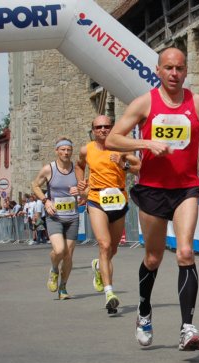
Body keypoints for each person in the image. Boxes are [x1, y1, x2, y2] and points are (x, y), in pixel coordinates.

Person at [105, 47, 199, 350]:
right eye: (168, 68)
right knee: (153, 258)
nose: (174, 74)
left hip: (186, 187)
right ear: (158, 70)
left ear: (186, 70)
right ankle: (144, 310)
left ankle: (187, 328)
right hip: (153, 189)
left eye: (179, 68)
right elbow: (112, 138)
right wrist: (146, 143)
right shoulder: (145, 103)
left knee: (185, 252)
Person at [76, 115, 141, 315]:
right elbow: (79, 165)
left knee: (112, 249)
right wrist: (81, 184)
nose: (103, 129)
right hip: (96, 199)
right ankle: (109, 293)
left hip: (118, 199)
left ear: (112, 128)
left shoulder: (122, 148)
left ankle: (98, 266)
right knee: (104, 245)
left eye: (106, 126)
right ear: (93, 130)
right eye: (99, 127)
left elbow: (139, 168)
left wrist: (123, 165)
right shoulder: (87, 149)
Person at [31, 138, 83, 300]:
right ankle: (54, 269)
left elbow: (86, 189)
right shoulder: (49, 169)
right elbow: (35, 185)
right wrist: (45, 201)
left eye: (69, 150)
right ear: (57, 151)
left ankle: (63, 288)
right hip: (54, 217)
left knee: (68, 255)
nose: (66, 153)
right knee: (59, 250)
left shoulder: (77, 169)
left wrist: (80, 192)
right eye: (63, 150)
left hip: (72, 217)